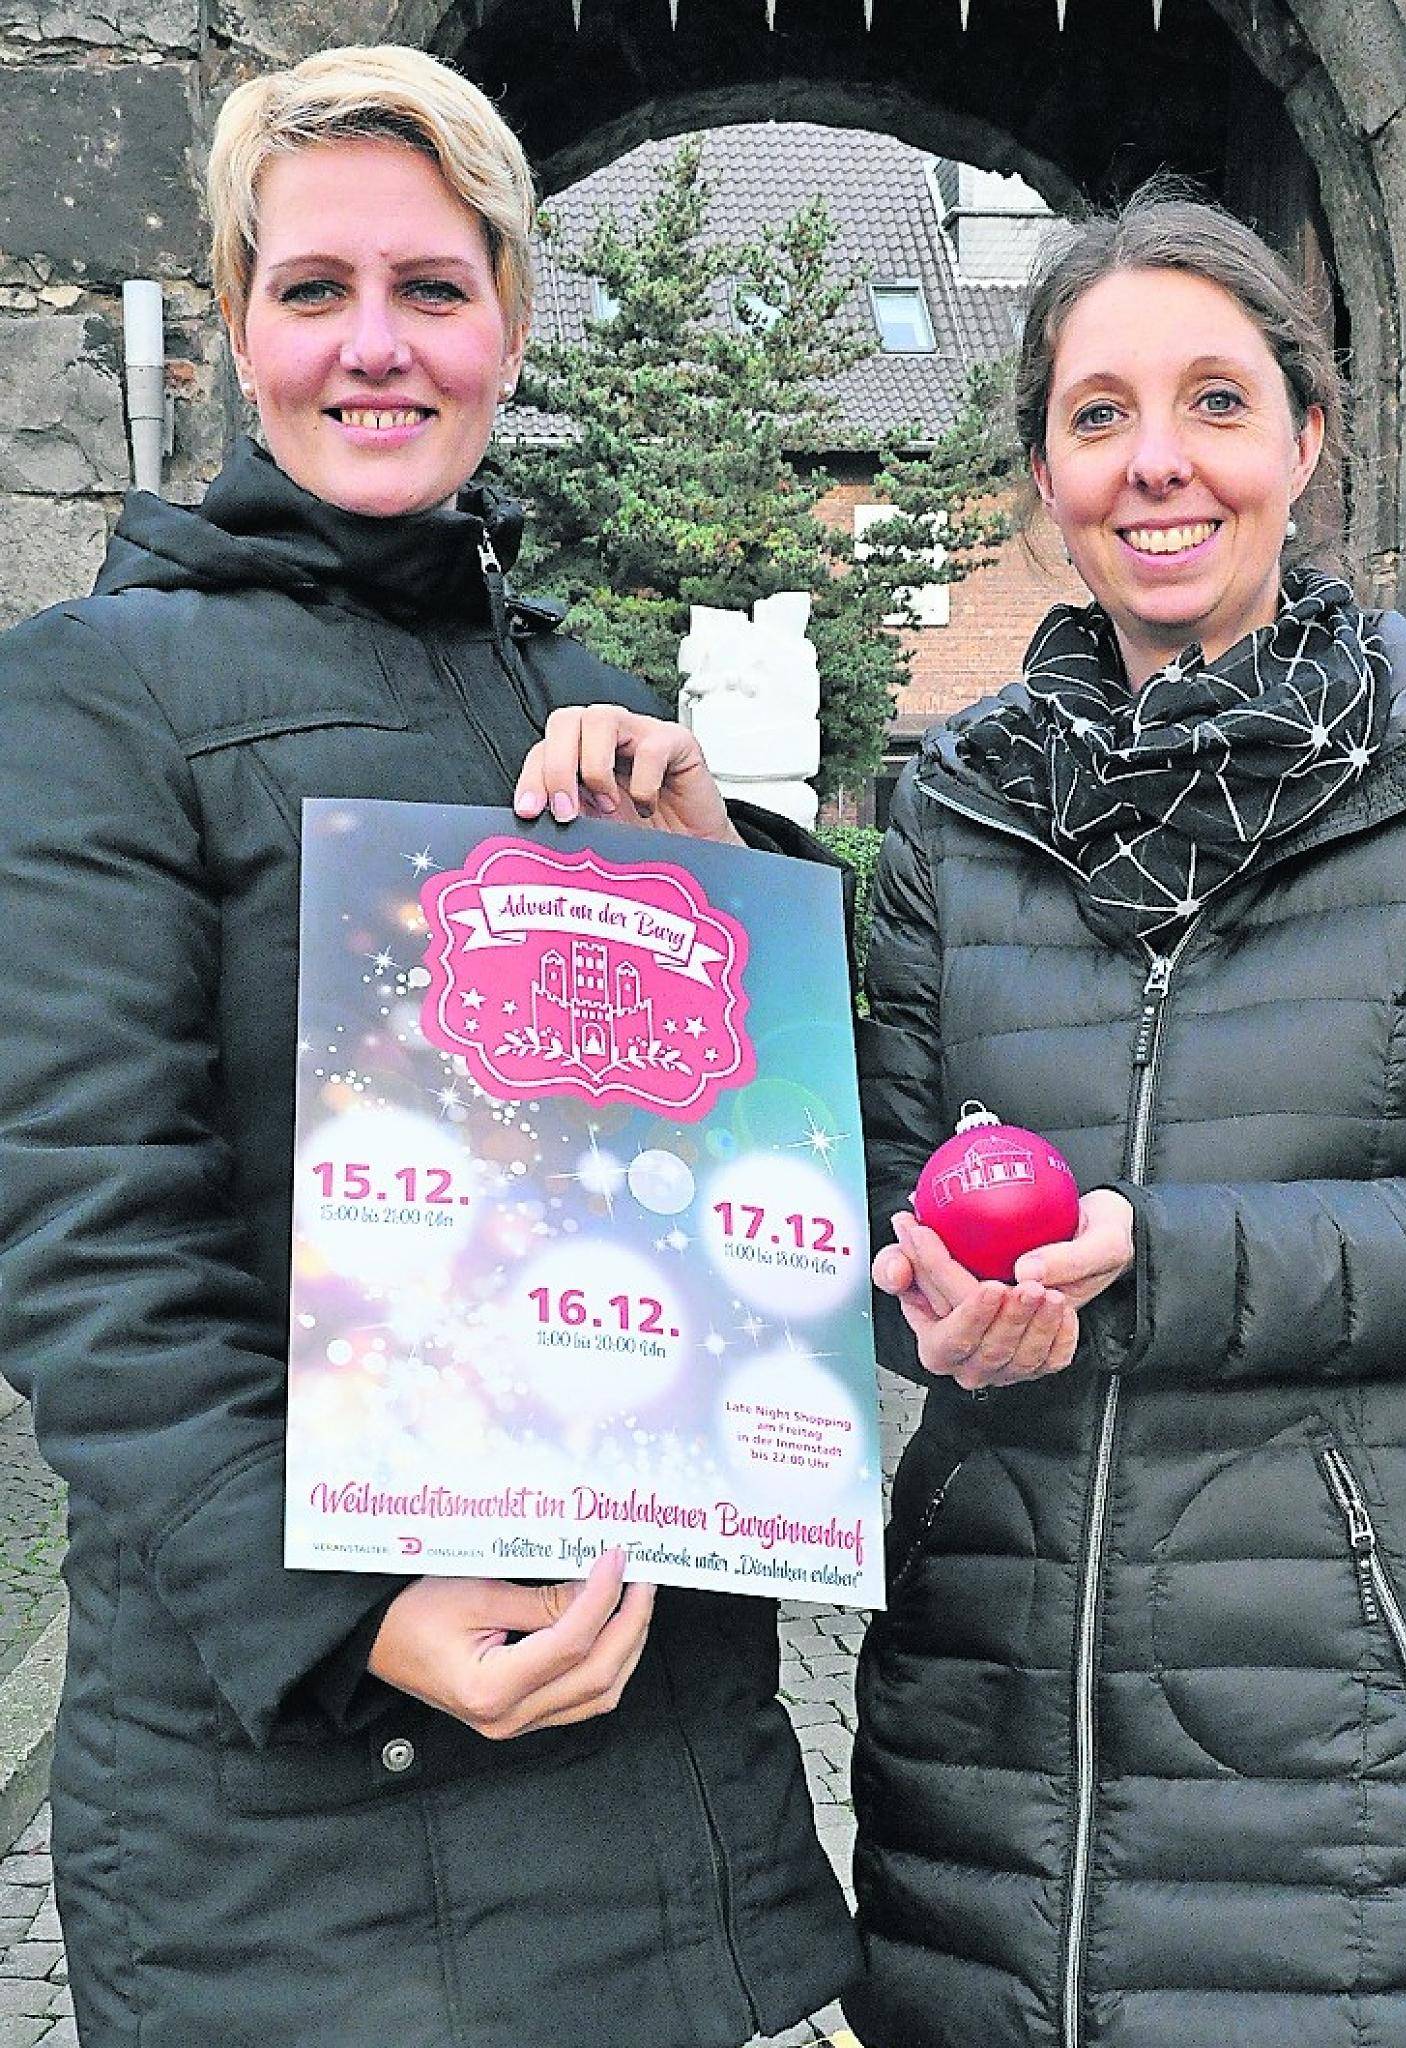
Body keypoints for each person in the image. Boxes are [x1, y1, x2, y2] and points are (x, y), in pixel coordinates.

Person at [0, 45, 860, 2048]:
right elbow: (81, 1240)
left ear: (507, 324)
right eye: (315, 291)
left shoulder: (588, 689)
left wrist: (721, 872)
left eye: (432, 288)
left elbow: (751, 1170)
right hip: (307, 1834)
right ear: (235, 327)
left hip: (660, 1775)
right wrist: (352, 1618)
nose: (374, 347)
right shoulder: (88, 700)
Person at [847, 188, 1406, 2048]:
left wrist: (1147, 1256)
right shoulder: (952, 811)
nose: (1158, 464)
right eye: (1099, 415)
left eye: (1216, 402)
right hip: (991, 1717)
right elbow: (872, 1214)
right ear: (1047, 473)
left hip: (1354, 1729)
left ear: (1309, 442)